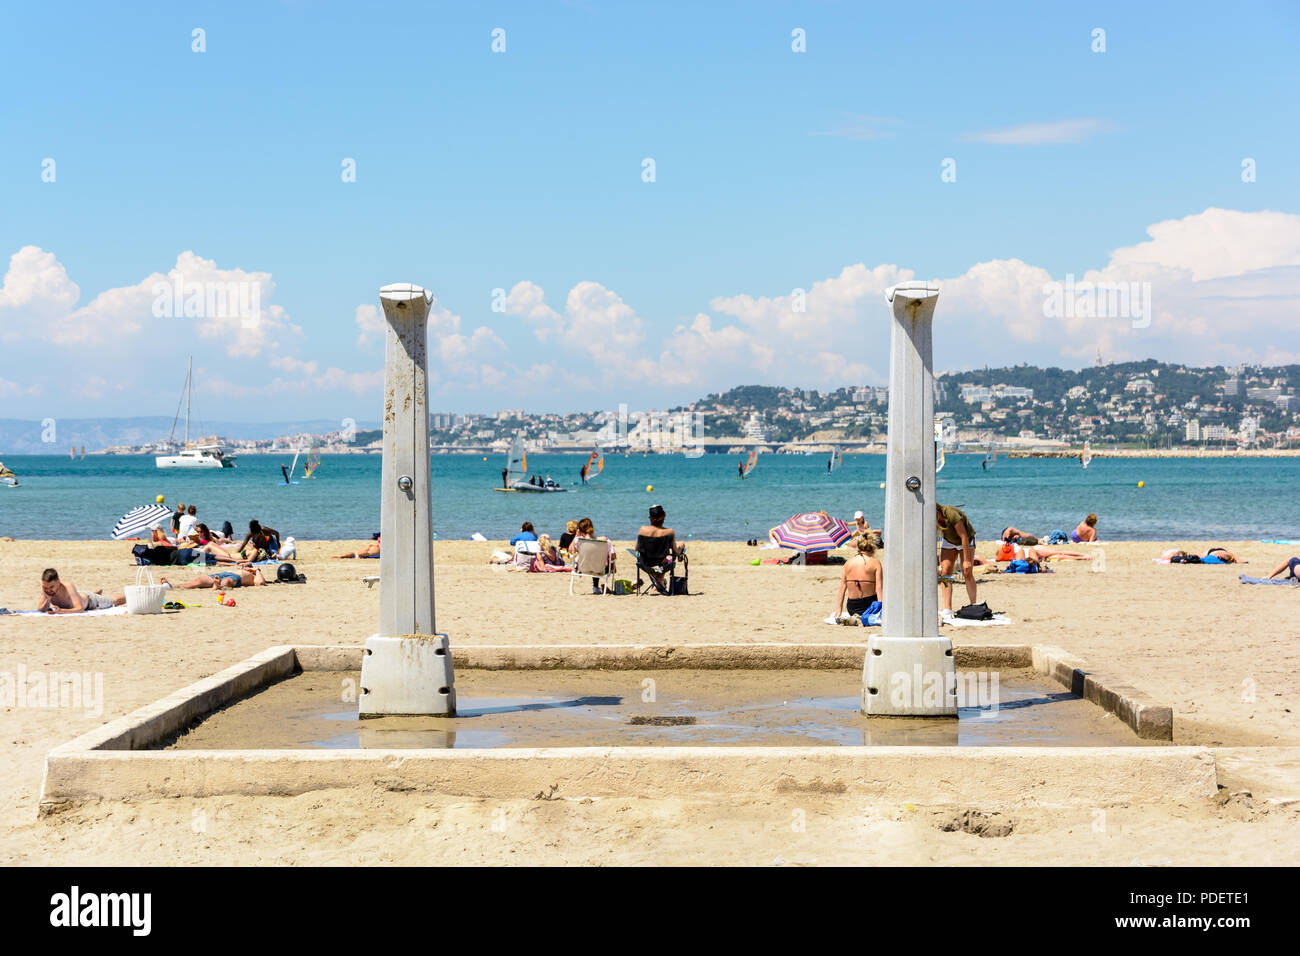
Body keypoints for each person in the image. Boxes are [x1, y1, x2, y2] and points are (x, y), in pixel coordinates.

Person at [829, 534, 882, 625]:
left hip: (852, 607)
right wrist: (881, 611)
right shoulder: (876, 563)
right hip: (869, 606)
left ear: (858, 547)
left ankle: (856, 617)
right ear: (873, 548)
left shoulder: (848, 563)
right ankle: (863, 617)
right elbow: (879, 588)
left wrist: (838, 611)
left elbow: (842, 589)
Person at [937, 503, 977, 618]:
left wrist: (966, 560)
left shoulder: (950, 513)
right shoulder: (931, 518)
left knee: (967, 572)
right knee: (944, 573)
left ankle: (973, 605)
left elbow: (964, 536)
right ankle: (947, 608)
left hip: (966, 539)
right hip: (949, 541)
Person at [636, 504, 685, 593]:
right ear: (664, 515)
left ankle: (658, 583)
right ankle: (659, 583)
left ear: (650, 518)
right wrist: (681, 549)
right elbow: (676, 552)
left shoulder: (642, 530)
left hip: (645, 565)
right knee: (665, 560)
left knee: (656, 559)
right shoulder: (669, 532)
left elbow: (637, 548)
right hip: (661, 565)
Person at [37, 568, 125, 613]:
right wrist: (47, 599)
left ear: (59, 582)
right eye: (46, 588)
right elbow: (40, 609)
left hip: (91, 602)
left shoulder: (68, 586)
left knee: (114, 602)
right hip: (79, 596)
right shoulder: (45, 587)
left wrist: (61, 611)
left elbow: (80, 609)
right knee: (79, 596)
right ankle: (94, 593)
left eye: (51, 587)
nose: (48, 590)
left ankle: (133, 595)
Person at [161, 566, 267, 590]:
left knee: (227, 581)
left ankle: (218, 586)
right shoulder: (243, 569)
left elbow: (261, 583)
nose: (246, 567)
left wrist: (257, 570)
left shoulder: (255, 576)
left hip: (236, 577)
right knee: (198, 581)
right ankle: (172, 586)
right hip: (223, 573)